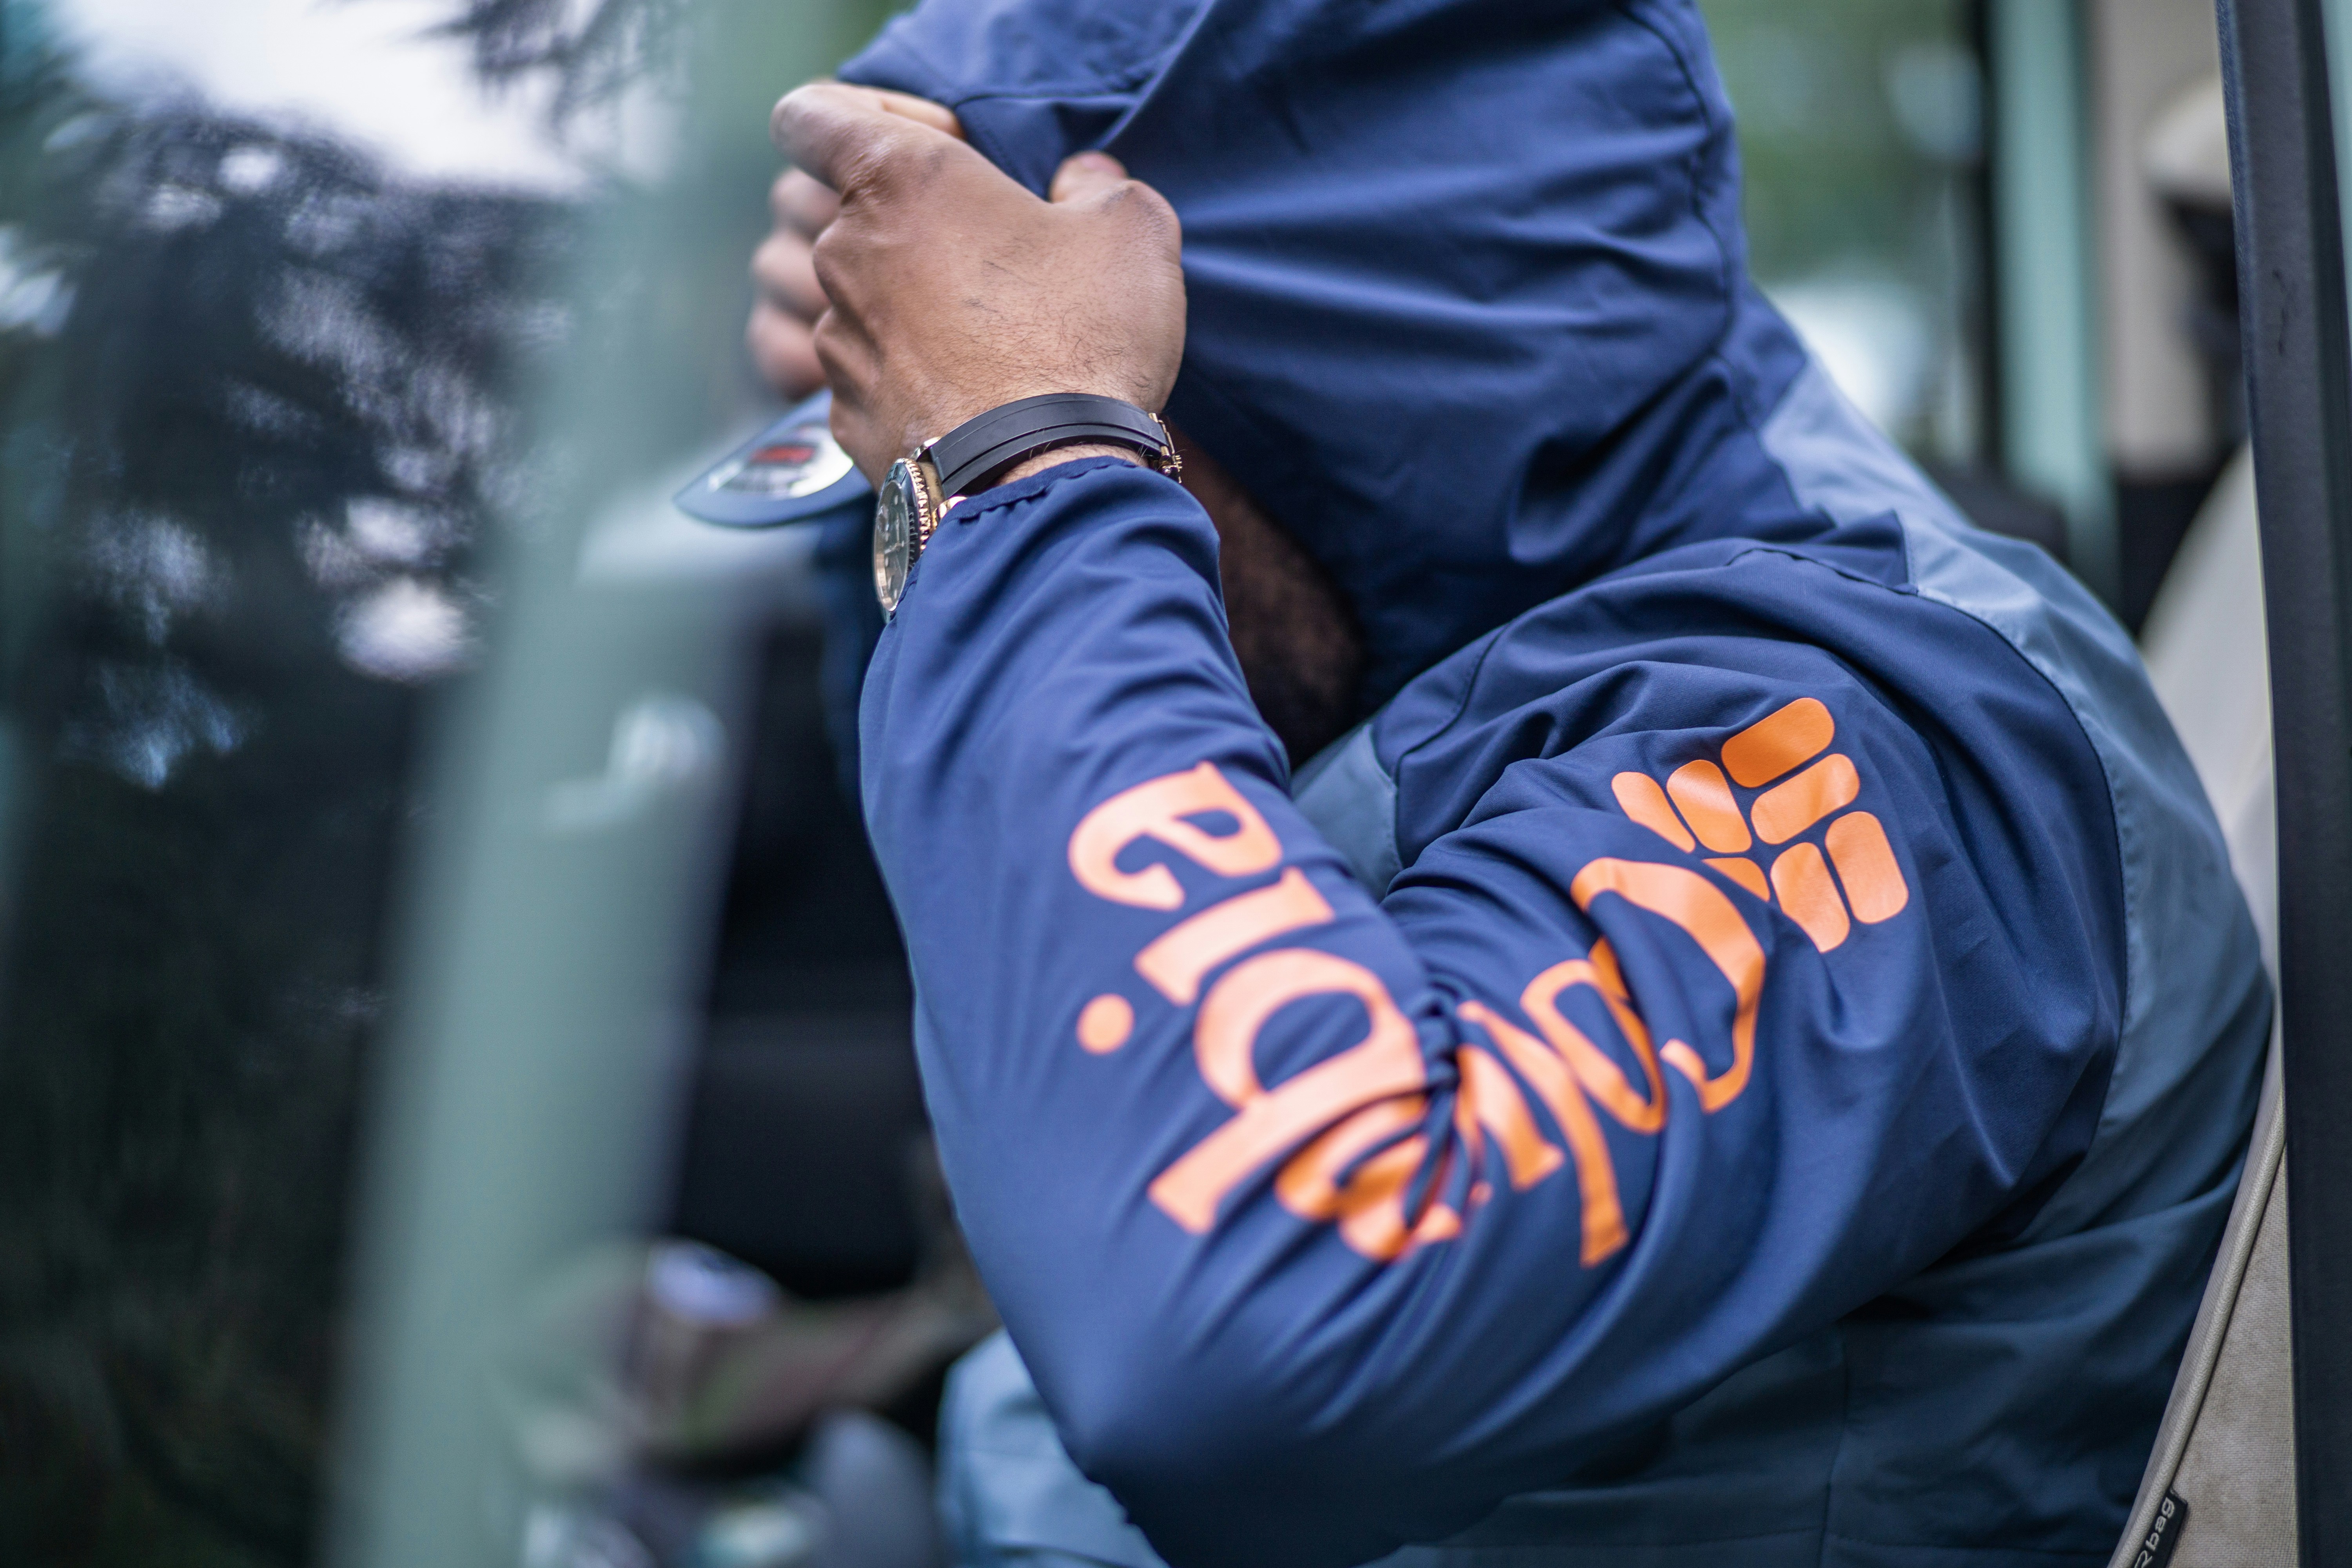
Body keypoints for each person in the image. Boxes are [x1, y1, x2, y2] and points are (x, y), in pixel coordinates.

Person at [741, 4, 2270, 1564]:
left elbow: (1269, 1337)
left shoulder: (1878, 738)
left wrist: (1025, 457)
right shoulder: (1492, 564)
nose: (926, 492)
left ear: (1289, 373)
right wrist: (937, 454)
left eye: (1122, 432)